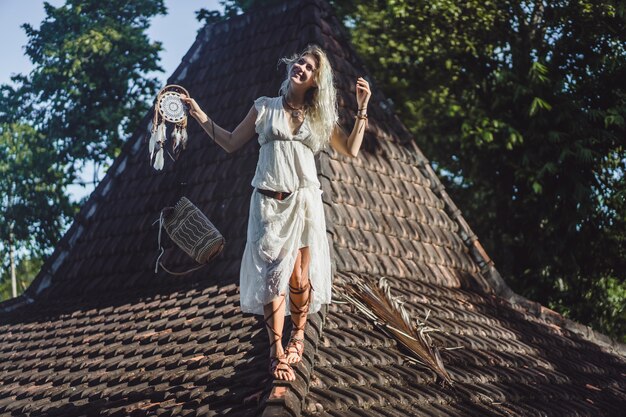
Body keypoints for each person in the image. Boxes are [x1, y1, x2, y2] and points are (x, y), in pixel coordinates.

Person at [181, 44, 370, 381]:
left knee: (299, 276)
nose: (302, 68)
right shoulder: (264, 108)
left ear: (314, 81)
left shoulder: (318, 119)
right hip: (269, 202)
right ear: (290, 66)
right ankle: (277, 352)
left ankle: (298, 335)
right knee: (272, 277)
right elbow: (228, 141)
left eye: (310, 68)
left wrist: (362, 109)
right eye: (300, 62)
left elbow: (352, 150)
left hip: (305, 201)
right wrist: (197, 112)